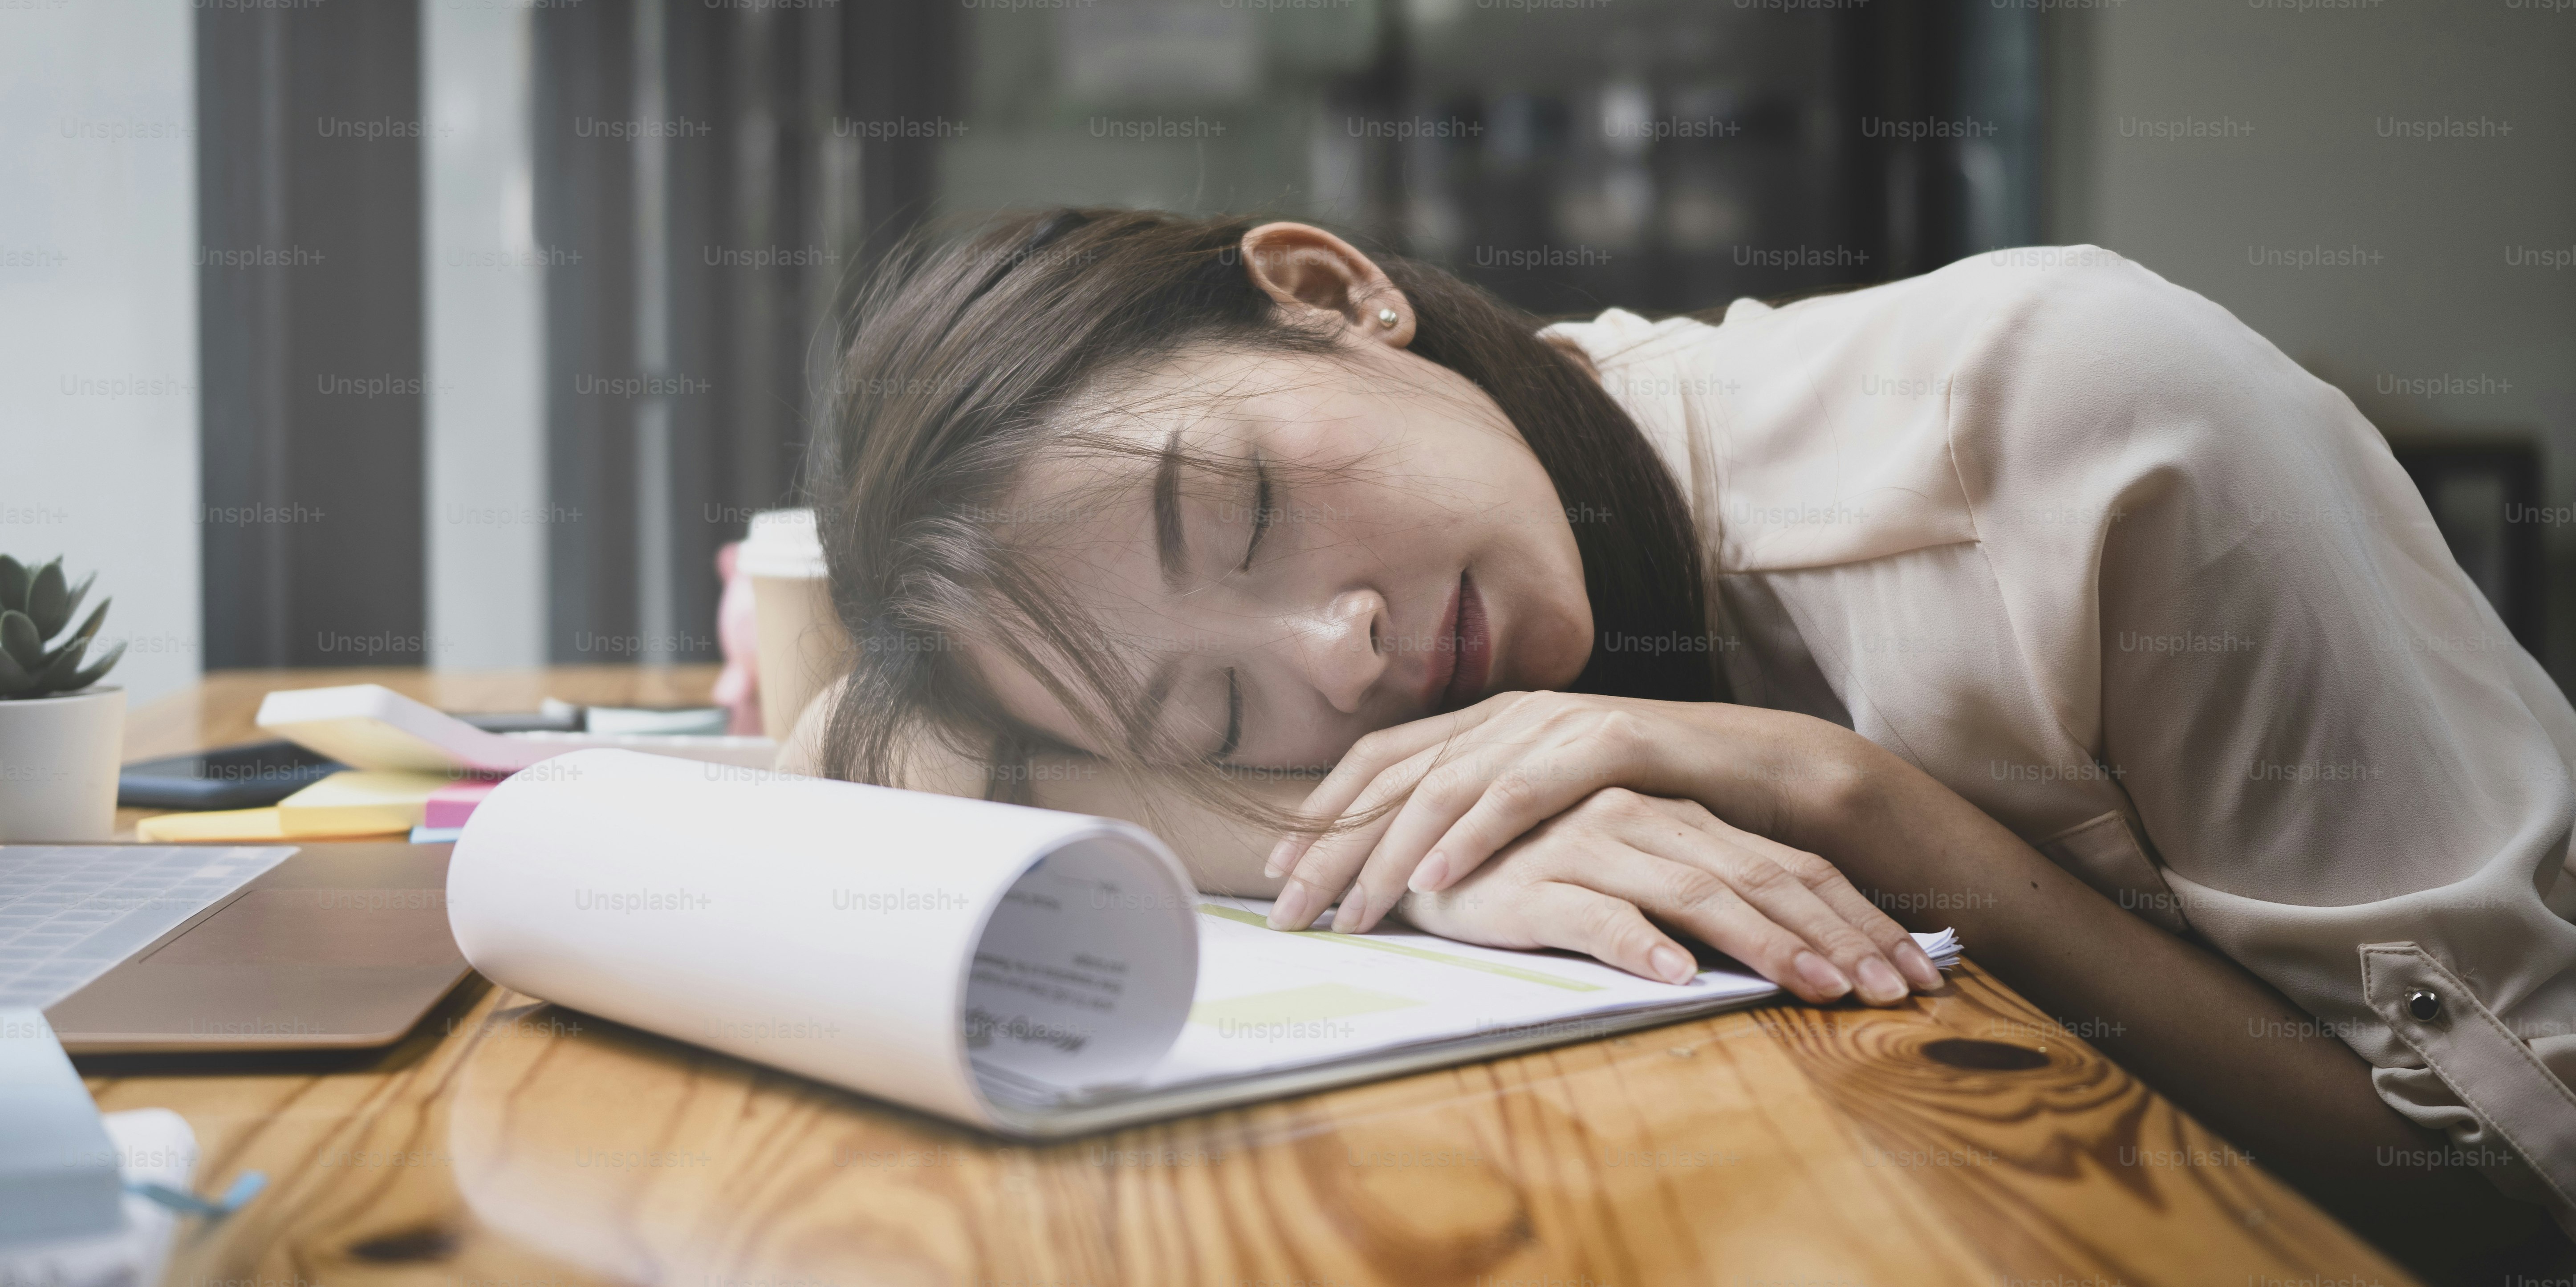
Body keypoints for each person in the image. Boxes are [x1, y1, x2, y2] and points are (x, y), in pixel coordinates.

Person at [775, 206, 2575, 1275]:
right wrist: (1425, 834)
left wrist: (1849, 801)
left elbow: (2506, 1201)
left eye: (1243, 514)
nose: (1338, 653)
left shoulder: (2069, 413)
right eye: (1222, 717)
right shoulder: (1433, 665)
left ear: (1330, 291)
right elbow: (869, 758)